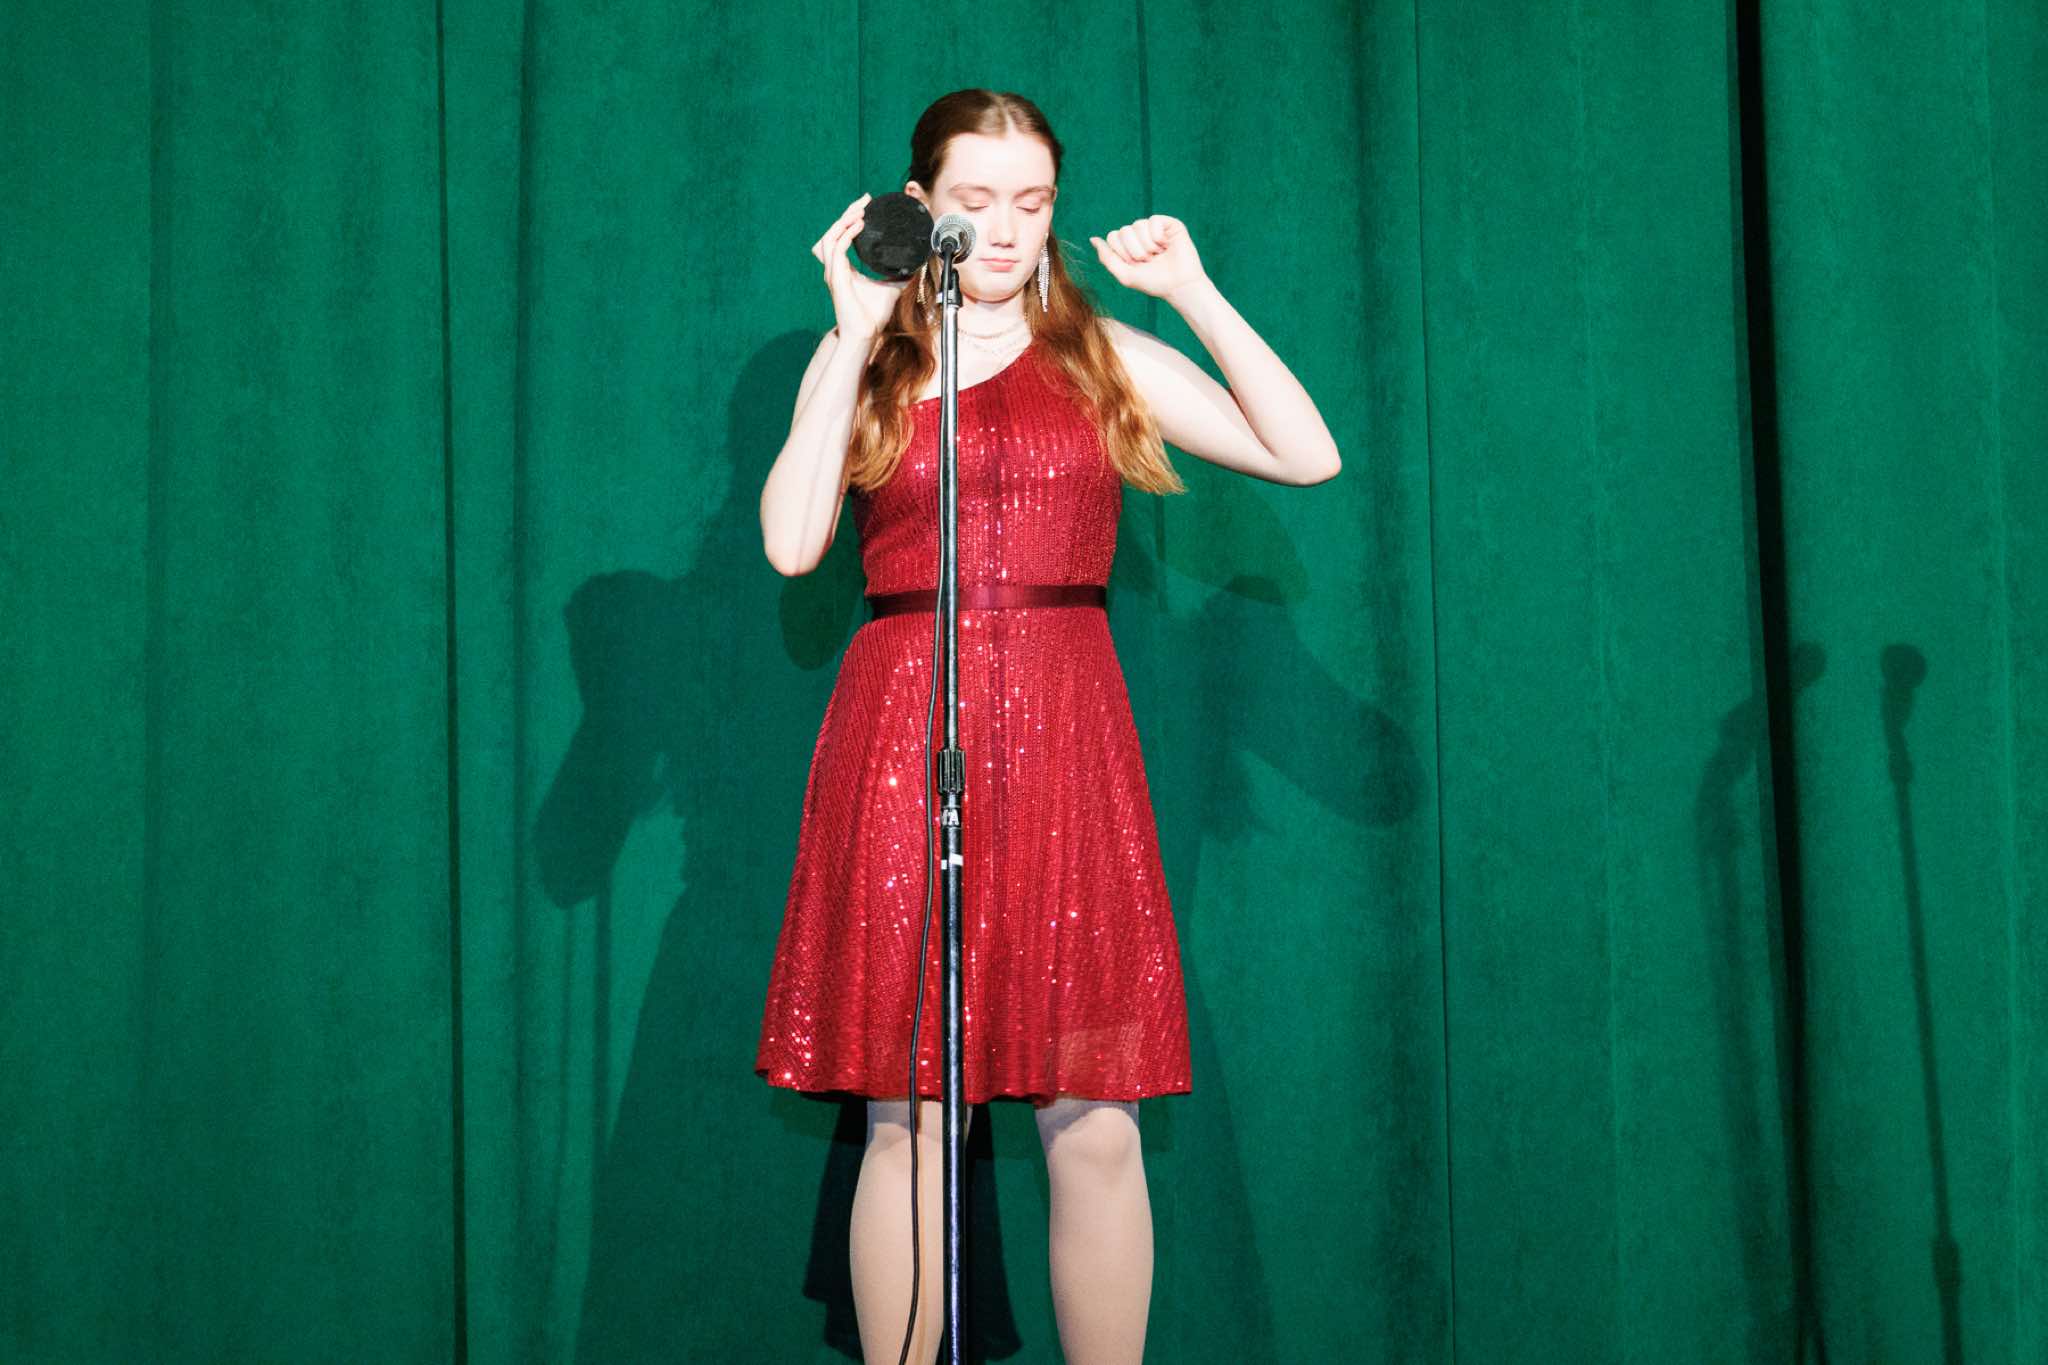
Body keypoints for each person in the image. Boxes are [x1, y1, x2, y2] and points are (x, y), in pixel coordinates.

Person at [755, 88, 1340, 1365]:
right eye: (975, 202)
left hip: (1067, 732)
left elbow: (1304, 455)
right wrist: (852, 332)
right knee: (911, 1115)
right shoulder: (869, 358)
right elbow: (793, 545)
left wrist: (1191, 292)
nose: (1007, 229)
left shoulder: (1097, 354)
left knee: (1095, 1118)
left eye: (1031, 203)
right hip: (903, 728)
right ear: (919, 205)